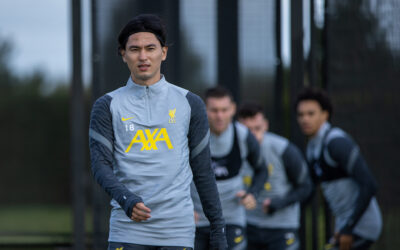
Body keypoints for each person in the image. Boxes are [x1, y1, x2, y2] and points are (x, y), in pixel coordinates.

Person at [89, 14, 227, 250]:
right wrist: (126, 200)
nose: (143, 56)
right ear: (123, 54)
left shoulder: (190, 103)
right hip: (127, 228)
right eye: (134, 49)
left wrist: (217, 227)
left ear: (163, 52)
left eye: (150, 48)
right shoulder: (107, 105)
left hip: (177, 231)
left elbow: (203, 171)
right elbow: (100, 165)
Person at [295, 87, 382, 250]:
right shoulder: (312, 147)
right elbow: (309, 189)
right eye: (300, 114)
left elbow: (370, 184)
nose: (305, 119)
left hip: (361, 227)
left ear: (325, 114)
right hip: (344, 227)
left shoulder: (336, 143)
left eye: (311, 113)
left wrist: (348, 228)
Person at [191, 86, 268, 250]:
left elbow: (262, 170)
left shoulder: (244, 135)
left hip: (231, 219)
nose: (220, 116)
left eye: (224, 110)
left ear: (233, 109)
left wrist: (252, 193)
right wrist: (184, 206)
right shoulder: (191, 135)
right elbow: (174, 173)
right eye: (214, 110)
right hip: (196, 219)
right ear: (204, 109)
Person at [237, 102, 312, 250]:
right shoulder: (230, 151)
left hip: (282, 227)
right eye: (247, 130)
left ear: (266, 125)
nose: (253, 136)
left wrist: (280, 203)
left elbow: (306, 186)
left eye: (257, 129)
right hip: (248, 225)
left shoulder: (284, 149)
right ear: (238, 129)